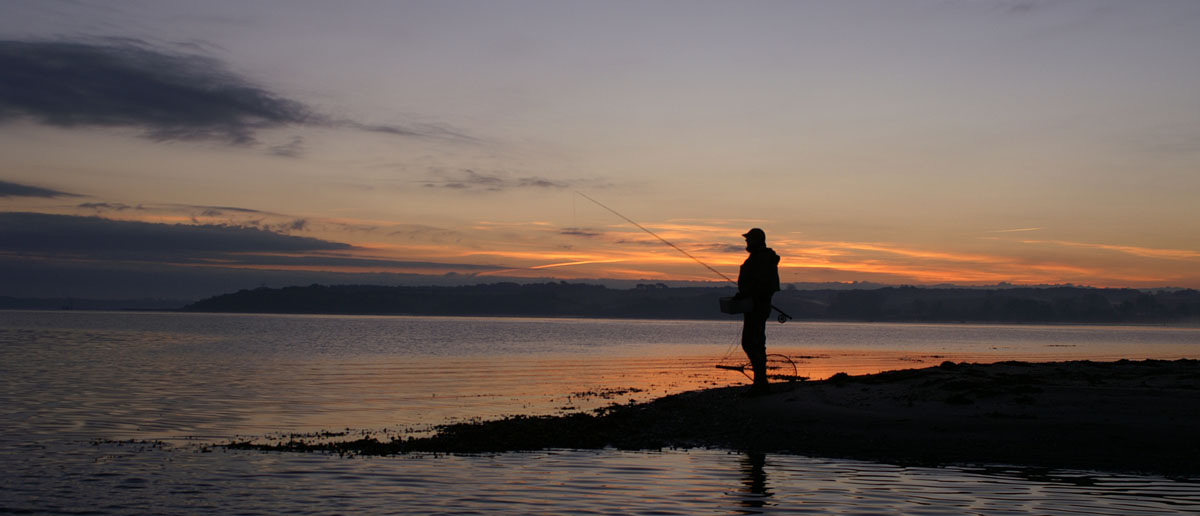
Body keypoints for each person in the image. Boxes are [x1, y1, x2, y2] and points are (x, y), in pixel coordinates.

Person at [734, 227, 780, 395]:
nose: (746, 242)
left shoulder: (762, 259)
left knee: (751, 343)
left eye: (749, 239)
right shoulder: (760, 257)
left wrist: (746, 294)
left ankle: (760, 383)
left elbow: (761, 285)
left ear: (757, 240)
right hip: (754, 305)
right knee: (756, 343)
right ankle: (760, 382)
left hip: (757, 306)